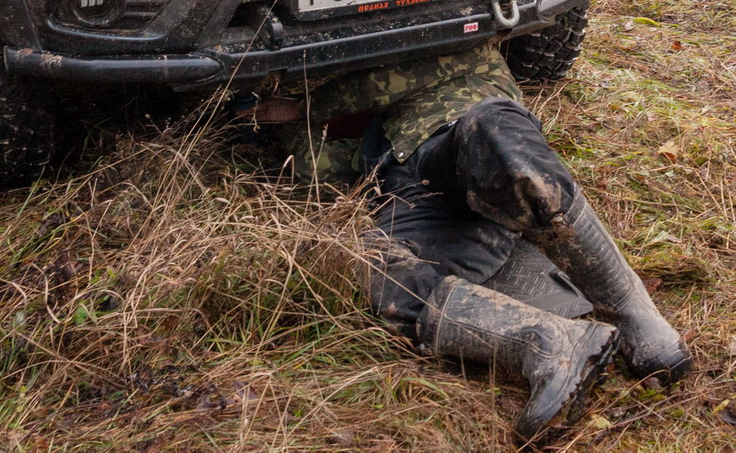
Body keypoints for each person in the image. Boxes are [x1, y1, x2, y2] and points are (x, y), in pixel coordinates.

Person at [240, 44, 692, 443]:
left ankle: (631, 312)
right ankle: (550, 344)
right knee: (373, 267)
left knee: (491, 129)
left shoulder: (461, 52)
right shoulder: (374, 138)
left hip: (464, 152)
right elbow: (310, 164)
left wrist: (301, 105)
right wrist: (275, 125)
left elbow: (378, 82)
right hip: (421, 203)